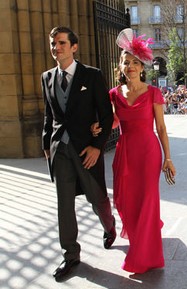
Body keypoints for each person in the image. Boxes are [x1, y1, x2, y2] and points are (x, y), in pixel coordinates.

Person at [93, 28, 176, 273]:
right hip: (125, 152)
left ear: (142, 67)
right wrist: (101, 126)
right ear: (120, 67)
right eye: (125, 62)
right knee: (125, 202)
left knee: (148, 201)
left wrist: (168, 158)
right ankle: (142, 237)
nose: (130, 66)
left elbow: (160, 127)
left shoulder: (153, 93)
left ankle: (142, 255)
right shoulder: (114, 94)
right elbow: (116, 122)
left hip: (149, 153)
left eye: (135, 62)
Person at [41, 26, 116, 281]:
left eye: (61, 43)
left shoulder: (92, 76)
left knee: (97, 199)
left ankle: (109, 225)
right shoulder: (47, 77)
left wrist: (97, 146)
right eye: (53, 43)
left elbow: (106, 115)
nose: (56, 47)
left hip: (87, 151)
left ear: (74, 46)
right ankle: (71, 255)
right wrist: (46, 145)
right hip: (60, 150)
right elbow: (49, 115)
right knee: (65, 204)